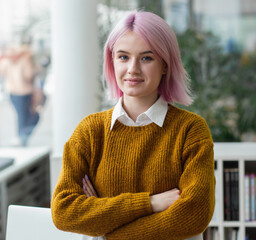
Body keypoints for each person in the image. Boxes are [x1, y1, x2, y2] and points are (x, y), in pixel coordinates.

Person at [51, 10, 215, 240]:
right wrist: (151, 203)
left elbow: (194, 214)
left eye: (146, 58)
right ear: (112, 61)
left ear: (165, 65)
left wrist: (106, 228)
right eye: (123, 57)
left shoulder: (190, 130)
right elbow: (64, 212)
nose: (132, 69)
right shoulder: (90, 131)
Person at [0, 44, 40, 146]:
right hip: (25, 91)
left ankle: (22, 136)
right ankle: (23, 136)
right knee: (26, 115)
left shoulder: (7, 61)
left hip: (14, 92)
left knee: (22, 115)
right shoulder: (25, 60)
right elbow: (29, 75)